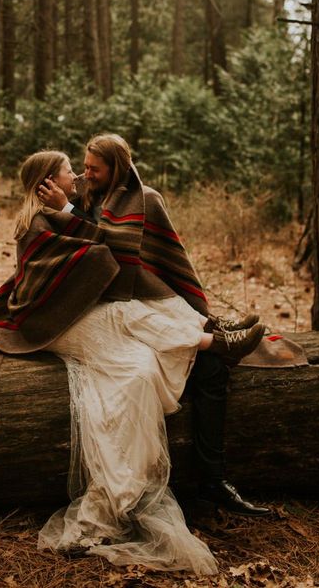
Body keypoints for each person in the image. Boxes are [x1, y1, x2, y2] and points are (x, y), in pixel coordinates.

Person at [0, 145, 265, 575]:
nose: (78, 179)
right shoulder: (36, 223)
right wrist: (77, 228)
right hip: (53, 323)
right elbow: (90, 257)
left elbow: (106, 247)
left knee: (140, 372)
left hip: (76, 314)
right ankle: (213, 341)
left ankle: (121, 490)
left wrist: (78, 224)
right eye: (71, 172)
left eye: (84, 171)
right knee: (128, 313)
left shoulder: (76, 208)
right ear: (47, 183)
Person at [37, 134, 271, 518]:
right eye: (84, 166)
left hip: (150, 303)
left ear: (117, 170)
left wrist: (71, 213)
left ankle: (213, 480)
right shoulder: (79, 200)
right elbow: (80, 249)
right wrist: (65, 207)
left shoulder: (145, 201)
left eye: (95, 169)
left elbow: (152, 257)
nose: (85, 174)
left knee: (210, 368)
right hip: (115, 315)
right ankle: (215, 338)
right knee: (179, 366)